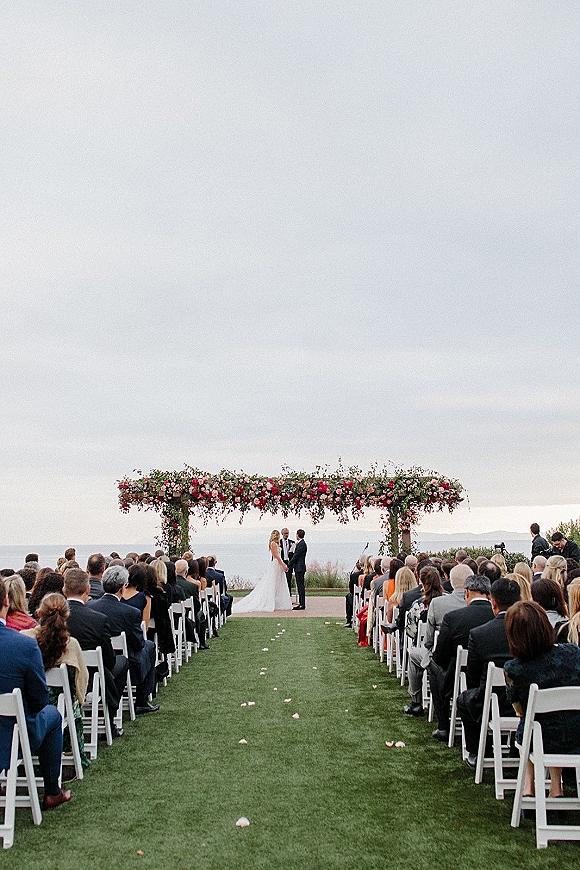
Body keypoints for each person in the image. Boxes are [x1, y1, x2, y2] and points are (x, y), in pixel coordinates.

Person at [0, 577, 71, 809]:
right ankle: (52, 791)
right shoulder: (23, 645)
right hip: (11, 740)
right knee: (52, 714)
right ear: (6, 600)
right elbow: (40, 699)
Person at [504, 601, 580, 801]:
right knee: (551, 721)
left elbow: (519, 711)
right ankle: (556, 787)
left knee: (530, 724)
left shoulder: (514, 668)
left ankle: (530, 786)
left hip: (539, 738)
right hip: (576, 734)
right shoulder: (574, 653)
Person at [457, 576, 521, 767]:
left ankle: (479, 751)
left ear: (493, 602)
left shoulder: (479, 634)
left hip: (493, 702)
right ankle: (516, 748)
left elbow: (473, 675)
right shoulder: (532, 630)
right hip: (528, 702)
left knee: (464, 699)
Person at [22, 593, 90, 768]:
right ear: (67, 616)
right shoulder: (71, 645)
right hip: (59, 706)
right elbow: (81, 679)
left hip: (26, 705)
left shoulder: (24, 638)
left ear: (38, 613)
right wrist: (78, 700)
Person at [429, 574, 494, 741]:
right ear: (488, 593)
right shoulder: (500, 617)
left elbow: (439, 656)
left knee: (434, 667)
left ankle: (443, 724)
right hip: (497, 684)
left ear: (466, 593)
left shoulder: (453, 618)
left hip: (462, 678)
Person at [88, 565, 159, 715]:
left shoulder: (90, 607)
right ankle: (141, 699)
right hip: (125, 661)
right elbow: (138, 642)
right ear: (122, 588)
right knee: (150, 646)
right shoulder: (131, 612)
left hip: (96, 661)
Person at [232, 530, 292, 613]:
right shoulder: (273, 544)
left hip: (278, 564)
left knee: (279, 583)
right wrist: (283, 565)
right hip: (276, 564)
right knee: (272, 583)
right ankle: (269, 601)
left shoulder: (276, 544)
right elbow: (276, 556)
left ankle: (278, 602)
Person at [289, 529, 307, 611]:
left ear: (297, 535)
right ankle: (301, 603)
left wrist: (288, 564)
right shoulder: (301, 544)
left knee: (300, 586)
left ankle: (302, 604)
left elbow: (296, 556)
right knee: (300, 585)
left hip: (299, 568)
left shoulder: (301, 544)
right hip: (299, 567)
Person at [280, 528, 295, 596]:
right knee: (281, 579)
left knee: (289, 579)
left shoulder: (292, 542)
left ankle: (289, 594)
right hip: (282, 563)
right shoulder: (279, 542)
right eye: (285, 533)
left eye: (287, 533)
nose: (287, 535)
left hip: (289, 563)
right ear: (282, 534)